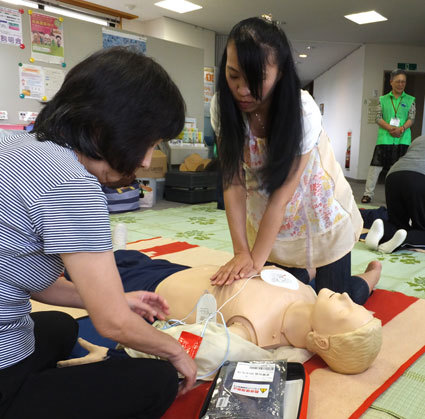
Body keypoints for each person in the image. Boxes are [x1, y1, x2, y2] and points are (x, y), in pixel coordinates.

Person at [0, 47, 196, 419]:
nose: (144, 160)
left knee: (59, 327)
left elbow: (23, 275)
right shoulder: (72, 183)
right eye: (149, 143)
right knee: (156, 378)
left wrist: (117, 298)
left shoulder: (17, 145)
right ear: (104, 127)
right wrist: (175, 351)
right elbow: (113, 324)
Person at [209, 17, 376, 304]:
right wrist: (242, 254)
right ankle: (306, 274)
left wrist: (255, 264)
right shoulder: (223, 108)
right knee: (281, 304)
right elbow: (233, 185)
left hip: (318, 210)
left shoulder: (302, 112)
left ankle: (373, 274)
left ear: (282, 72)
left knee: (332, 307)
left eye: (255, 80)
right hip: (272, 222)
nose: (242, 91)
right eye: (233, 75)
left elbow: (281, 197)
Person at [59, 257, 383, 375]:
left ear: (321, 339)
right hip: (182, 269)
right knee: (350, 288)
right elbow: (334, 294)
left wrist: (122, 353)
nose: (342, 299)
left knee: (79, 270)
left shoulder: (251, 335)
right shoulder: (313, 296)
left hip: (151, 289)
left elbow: (191, 346)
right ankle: (374, 274)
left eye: (346, 311)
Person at [361, 69, 416, 203]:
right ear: (391, 82)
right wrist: (392, 128)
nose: (401, 84)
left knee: (398, 170)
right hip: (384, 138)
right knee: (375, 167)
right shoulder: (382, 99)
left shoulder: (410, 100)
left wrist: (401, 129)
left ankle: (397, 196)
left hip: (403, 139)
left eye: (403, 82)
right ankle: (368, 194)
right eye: (398, 81)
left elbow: (412, 118)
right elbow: (378, 118)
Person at [364, 134, 425, 253]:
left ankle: (382, 232)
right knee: (422, 228)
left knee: (397, 223)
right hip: (420, 177)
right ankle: (403, 241)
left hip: (394, 175)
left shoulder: (420, 138)